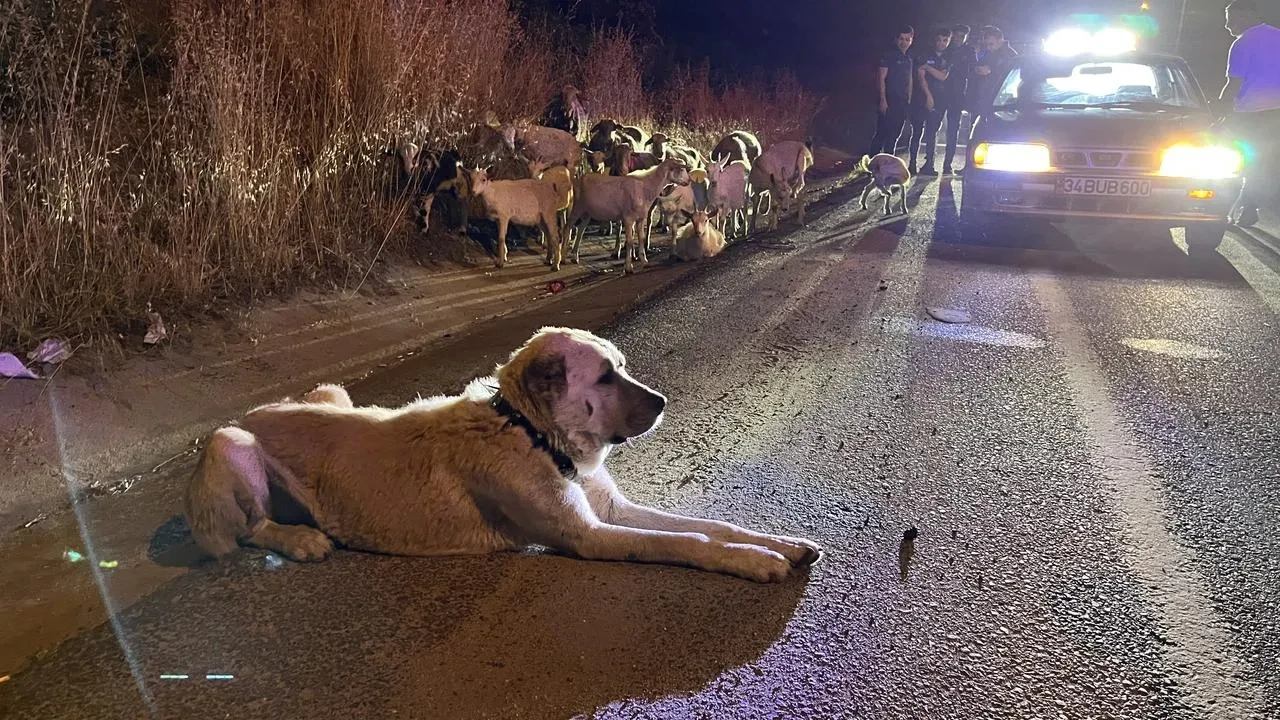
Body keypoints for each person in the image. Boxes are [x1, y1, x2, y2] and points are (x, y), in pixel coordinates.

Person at [1217, 0, 1280, 228]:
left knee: (1234, 160)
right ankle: (1250, 206)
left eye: (1231, 20)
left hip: (1248, 114)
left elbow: (1233, 83)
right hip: (1276, 114)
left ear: (1247, 15)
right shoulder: (1277, 36)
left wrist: (1218, 112)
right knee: (1263, 162)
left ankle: (1223, 210)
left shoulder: (1243, 43)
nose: (1227, 26)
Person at [908, 26, 953, 175]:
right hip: (920, 98)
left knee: (932, 133)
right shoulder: (924, 54)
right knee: (917, 132)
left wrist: (928, 68)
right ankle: (912, 164)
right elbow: (920, 77)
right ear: (935, 40)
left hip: (940, 101)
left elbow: (943, 76)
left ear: (949, 41)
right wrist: (928, 96)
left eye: (945, 40)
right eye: (939, 40)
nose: (942, 43)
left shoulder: (949, 57)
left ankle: (929, 165)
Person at [869, 26, 915, 157]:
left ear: (911, 40)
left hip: (902, 102)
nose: (904, 42)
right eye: (901, 39)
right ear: (896, 39)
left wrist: (909, 98)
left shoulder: (909, 57)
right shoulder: (888, 55)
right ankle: (872, 166)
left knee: (894, 135)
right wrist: (883, 100)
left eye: (907, 39)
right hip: (889, 100)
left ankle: (888, 165)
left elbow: (910, 78)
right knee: (881, 134)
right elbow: (881, 78)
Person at [940, 24, 975, 175]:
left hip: (958, 96)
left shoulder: (969, 51)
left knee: (953, 131)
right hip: (941, 94)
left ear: (966, 37)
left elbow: (974, 73)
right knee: (933, 128)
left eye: (962, 36)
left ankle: (947, 164)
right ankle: (928, 163)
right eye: (956, 36)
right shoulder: (945, 49)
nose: (958, 39)